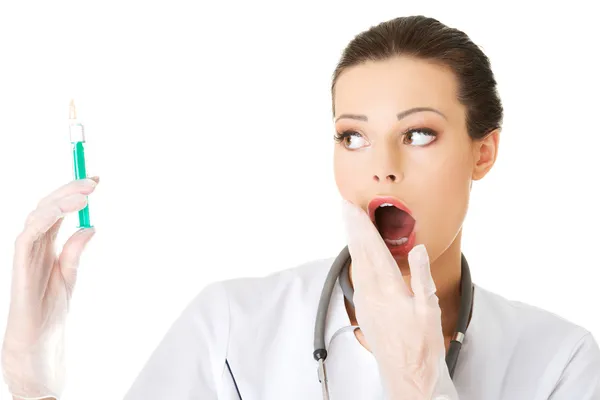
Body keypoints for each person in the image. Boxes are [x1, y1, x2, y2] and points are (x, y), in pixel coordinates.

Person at [2, 15, 600, 400]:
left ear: (483, 152)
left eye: (419, 134)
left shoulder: (560, 363)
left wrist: (420, 385)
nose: (381, 166)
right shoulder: (232, 328)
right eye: (352, 136)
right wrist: (29, 376)